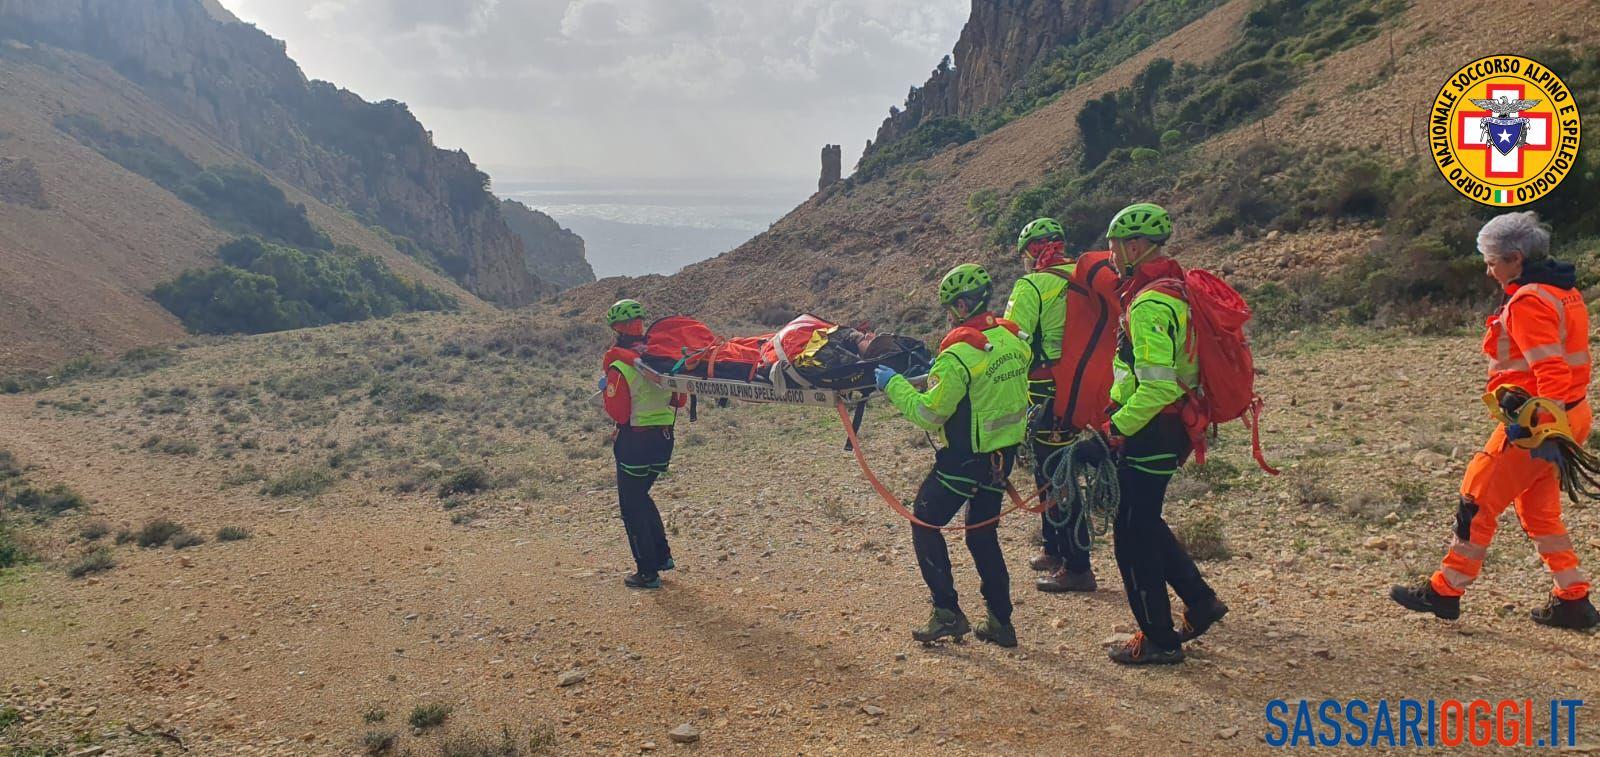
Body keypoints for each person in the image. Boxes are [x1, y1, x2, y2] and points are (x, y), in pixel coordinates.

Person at [1390, 212, 1598, 630]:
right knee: (1539, 512)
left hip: (1537, 425)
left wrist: (1541, 428)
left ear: (1516, 258)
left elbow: (1551, 370)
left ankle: (1445, 590)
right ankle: (1573, 598)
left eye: (1491, 262)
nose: (1488, 271)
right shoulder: (1563, 290)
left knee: (1477, 498)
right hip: (1572, 415)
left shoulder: (1528, 301)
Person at [873, 264, 1031, 647]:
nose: (947, 315)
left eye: (949, 308)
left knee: (924, 522)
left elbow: (929, 413)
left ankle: (946, 613)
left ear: (961, 305)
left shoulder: (959, 355)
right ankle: (1000, 622)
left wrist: (894, 385)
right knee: (982, 536)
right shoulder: (1013, 341)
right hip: (1000, 459)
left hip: (963, 460)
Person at [1100, 203, 1228, 665]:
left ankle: (1157, 637)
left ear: (1134, 246)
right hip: (1170, 428)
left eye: (1115, 245)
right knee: (1146, 520)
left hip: (1151, 431)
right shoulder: (1174, 290)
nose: (1111, 254)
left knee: (1131, 533)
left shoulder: (1151, 302)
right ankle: (1199, 600)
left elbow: (1155, 385)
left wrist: (1115, 427)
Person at [1005, 217, 1097, 593]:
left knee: (1057, 476)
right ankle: (1054, 548)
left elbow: (1013, 340)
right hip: (1087, 388)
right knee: (1051, 473)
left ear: (1032, 252)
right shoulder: (1087, 277)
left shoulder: (1032, 285)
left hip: (1047, 392)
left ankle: (1077, 566)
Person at [600, 299, 683, 590]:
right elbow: (680, 399)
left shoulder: (620, 366)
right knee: (642, 496)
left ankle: (647, 572)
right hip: (663, 440)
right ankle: (662, 556)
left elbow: (618, 412)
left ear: (616, 329)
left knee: (631, 506)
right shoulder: (659, 358)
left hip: (634, 442)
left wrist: (606, 394)